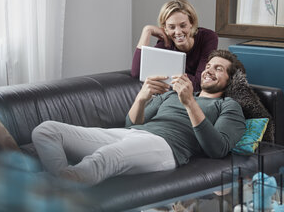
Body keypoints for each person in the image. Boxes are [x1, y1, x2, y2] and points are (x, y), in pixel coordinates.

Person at [32, 50, 246, 186]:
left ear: (230, 80)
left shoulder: (228, 106)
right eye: (208, 66)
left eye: (218, 69)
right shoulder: (172, 94)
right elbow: (131, 125)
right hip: (132, 135)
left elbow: (217, 149)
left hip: (166, 148)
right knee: (47, 130)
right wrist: (142, 97)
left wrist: (190, 102)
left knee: (105, 157)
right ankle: (61, 182)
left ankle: (55, 186)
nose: (209, 71)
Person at [131, 0, 218, 91]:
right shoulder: (165, 44)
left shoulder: (208, 38)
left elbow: (199, 84)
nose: (178, 32)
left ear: (191, 23)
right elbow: (136, 73)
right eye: (171, 27)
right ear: (165, 28)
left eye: (183, 25)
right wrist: (147, 30)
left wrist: (168, 72)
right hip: (172, 95)